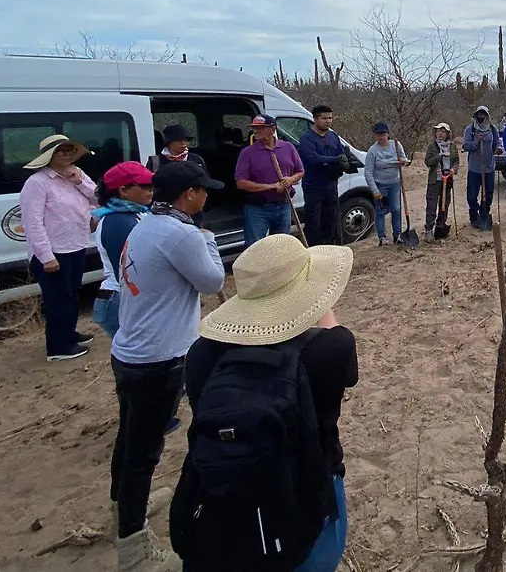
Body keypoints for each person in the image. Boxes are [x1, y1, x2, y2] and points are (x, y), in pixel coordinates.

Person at [173, 235, 358, 572]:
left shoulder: (200, 354)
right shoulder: (331, 350)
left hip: (220, 499)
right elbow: (337, 341)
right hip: (307, 494)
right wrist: (315, 299)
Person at [109, 160, 226, 570]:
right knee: (143, 455)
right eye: (203, 190)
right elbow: (212, 281)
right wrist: (208, 238)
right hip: (159, 358)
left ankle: (122, 509)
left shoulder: (146, 224)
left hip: (130, 352)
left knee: (129, 441)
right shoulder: (182, 234)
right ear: (189, 194)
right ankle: (134, 549)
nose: (207, 196)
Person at [19, 134, 97, 362]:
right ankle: (57, 347)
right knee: (57, 298)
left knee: (72, 294)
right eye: (61, 151)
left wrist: (79, 181)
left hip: (76, 244)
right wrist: (46, 256)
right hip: (54, 251)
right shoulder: (37, 182)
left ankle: (69, 334)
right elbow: (32, 222)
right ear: (49, 156)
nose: (66, 154)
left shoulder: (77, 173)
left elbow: (97, 198)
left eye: (70, 150)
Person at [92, 161, 155, 338]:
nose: (150, 190)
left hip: (124, 298)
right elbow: (128, 272)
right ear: (123, 190)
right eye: (144, 186)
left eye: (152, 185)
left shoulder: (136, 213)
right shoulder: (118, 223)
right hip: (119, 300)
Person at [235, 114, 304, 246]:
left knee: (281, 247)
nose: (256, 131)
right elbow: (240, 183)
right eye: (254, 128)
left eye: (260, 128)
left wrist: (290, 180)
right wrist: (272, 186)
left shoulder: (288, 147)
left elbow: (300, 171)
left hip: (284, 205)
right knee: (255, 248)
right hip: (258, 209)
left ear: (272, 130)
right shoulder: (247, 153)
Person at [299, 105, 347, 245]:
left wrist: (345, 162)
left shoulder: (333, 136)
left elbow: (342, 153)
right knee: (313, 222)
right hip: (313, 186)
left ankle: (330, 248)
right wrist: (336, 159)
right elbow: (313, 158)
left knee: (331, 220)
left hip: (331, 185)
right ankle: (313, 249)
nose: (328, 121)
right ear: (315, 119)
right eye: (324, 118)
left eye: (330, 118)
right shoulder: (307, 138)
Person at [148, 124, 209, 229]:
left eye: (186, 140)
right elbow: (150, 187)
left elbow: (205, 183)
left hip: (194, 212)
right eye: (179, 140)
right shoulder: (156, 162)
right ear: (169, 142)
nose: (183, 143)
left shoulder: (196, 160)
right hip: (166, 213)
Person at [364, 121, 410, 246]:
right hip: (380, 185)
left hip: (394, 183)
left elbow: (404, 159)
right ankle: (382, 237)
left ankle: (397, 235)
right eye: (378, 134)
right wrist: (375, 191)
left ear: (388, 134)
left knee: (396, 209)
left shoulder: (396, 145)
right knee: (381, 211)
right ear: (375, 135)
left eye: (383, 134)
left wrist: (403, 161)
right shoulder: (373, 151)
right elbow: (368, 172)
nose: (381, 137)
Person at [461, 105, 502, 230]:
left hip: (489, 168)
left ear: (487, 116)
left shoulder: (493, 129)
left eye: (483, 114)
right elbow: (465, 146)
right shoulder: (470, 129)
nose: (481, 116)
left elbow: (496, 143)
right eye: (479, 114)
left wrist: (498, 149)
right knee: (472, 195)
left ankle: (484, 215)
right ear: (475, 115)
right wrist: (476, 142)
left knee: (488, 195)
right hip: (474, 168)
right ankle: (474, 217)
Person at [424, 122, 460, 242]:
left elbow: (456, 160)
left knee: (444, 204)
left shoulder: (452, 146)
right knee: (431, 205)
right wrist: (439, 156)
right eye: (439, 131)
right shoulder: (432, 146)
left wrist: (453, 170)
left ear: (448, 134)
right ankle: (429, 229)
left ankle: (441, 225)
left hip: (447, 179)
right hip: (435, 180)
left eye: (443, 131)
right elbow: (428, 162)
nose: (440, 134)